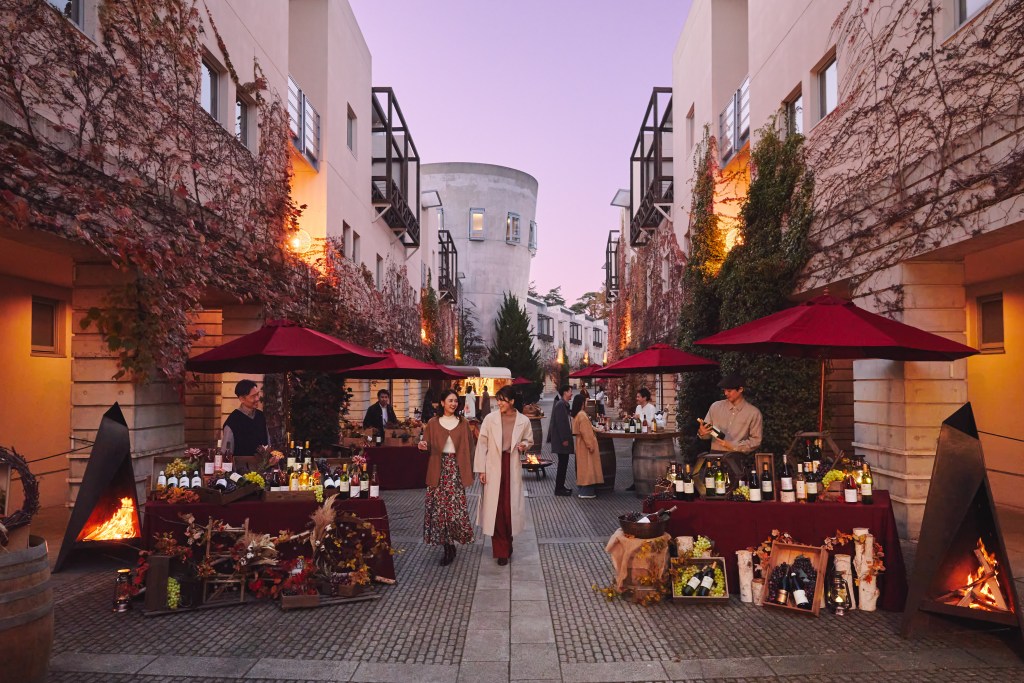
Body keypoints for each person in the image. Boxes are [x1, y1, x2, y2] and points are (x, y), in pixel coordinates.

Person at [474, 386, 532, 565]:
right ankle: (501, 551)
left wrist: (524, 445)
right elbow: (482, 444)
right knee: (496, 509)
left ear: (512, 401)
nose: (499, 403)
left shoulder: (523, 421)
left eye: (503, 400)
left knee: (509, 508)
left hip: (511, 465)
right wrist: (481, 470)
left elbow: (529, 440)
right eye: (498, 399)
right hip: (493, 465)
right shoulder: (490, 419)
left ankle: (508, 542)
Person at [419, 389, 475, 566]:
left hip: (456, 471)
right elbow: (426, 444)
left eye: (455, 401)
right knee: (439, 510)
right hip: (438, 469)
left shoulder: (463, 423)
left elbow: (470, 448)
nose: (453, 404)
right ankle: (447, 546)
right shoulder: (433, 423)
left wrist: (472, 470)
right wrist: (422, 445)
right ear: (442, 403)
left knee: (454, 509)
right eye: (450, 400)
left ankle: (452, 542)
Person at [698, 373, 764, 482]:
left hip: (736, 459)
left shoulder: (753, 413)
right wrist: (702, 433)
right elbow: (706, 434)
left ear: (740, 389)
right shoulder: (715, 407)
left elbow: (756, 441)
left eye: (729, 391)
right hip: (714, 457)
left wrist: (733, 445)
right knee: (711, 490)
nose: (725, 393)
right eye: (724, 390)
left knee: (736, 491)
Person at [222, 379, 270, 456]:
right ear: (242, 399)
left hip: (263, 463)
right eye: (253, 396)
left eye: (257, 394)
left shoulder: (261, 416)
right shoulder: (233, 421)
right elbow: (226, 454)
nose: (257, 399)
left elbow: (268, 444)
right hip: (240, 464)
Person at [571, 394, 603, 499]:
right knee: (588, 468)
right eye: (585, 402)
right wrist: (591, 445)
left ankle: (582, 490)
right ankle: (587, 492)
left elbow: (588, 427)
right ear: (582, 403)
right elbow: (586, 432)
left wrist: (598, 429)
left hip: (580, 444)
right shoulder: (582, 415)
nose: (586, 404)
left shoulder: (577, 414)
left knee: (582, 467)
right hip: (585, 446)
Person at [547, 384, 574, 496]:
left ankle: (561, 487)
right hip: (561, 441)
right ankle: (559, 489)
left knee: (564, 464)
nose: (571, 393)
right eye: (570, 391)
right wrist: (564, 439)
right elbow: (560, 423)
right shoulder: (560, 405)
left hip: (563, 440)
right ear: (565, 393)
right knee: (562, 465)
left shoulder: (564, 405)